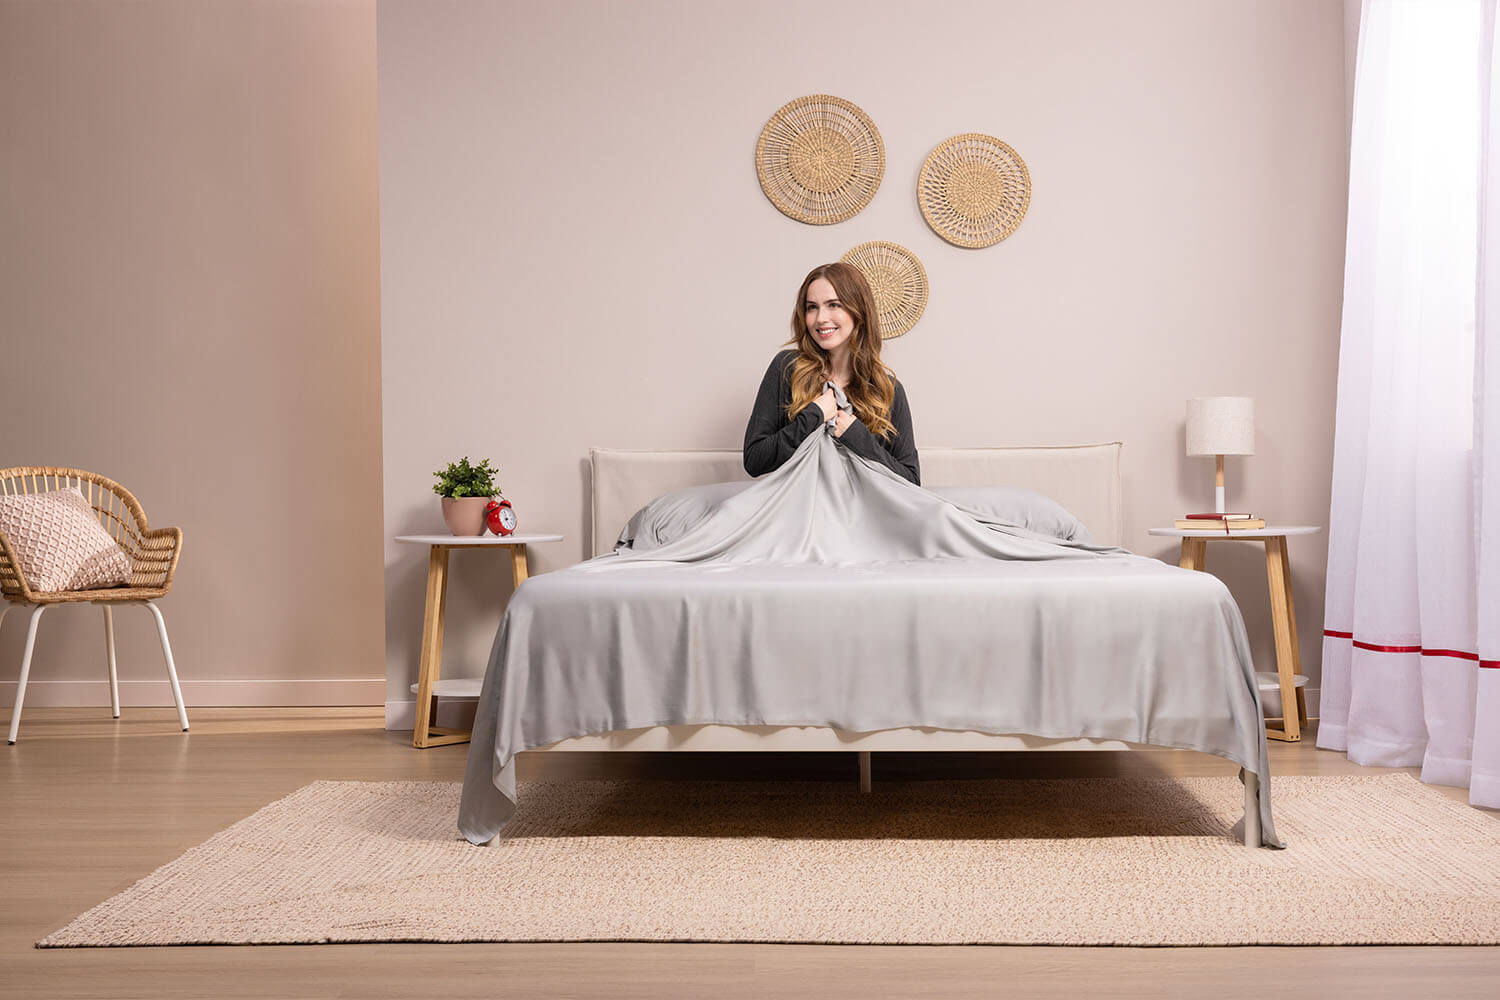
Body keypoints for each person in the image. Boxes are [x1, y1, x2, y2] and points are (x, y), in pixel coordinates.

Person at [743, 262, 920, 484]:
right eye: (811, 307)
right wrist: (813, 415)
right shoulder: (787, 368)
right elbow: (754, 460)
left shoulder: (888, 390)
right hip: (802, 508)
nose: (820, 318)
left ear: (858, 310)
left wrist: (856, 435)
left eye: (833, 305)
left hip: (864, 511)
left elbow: (911, 481)